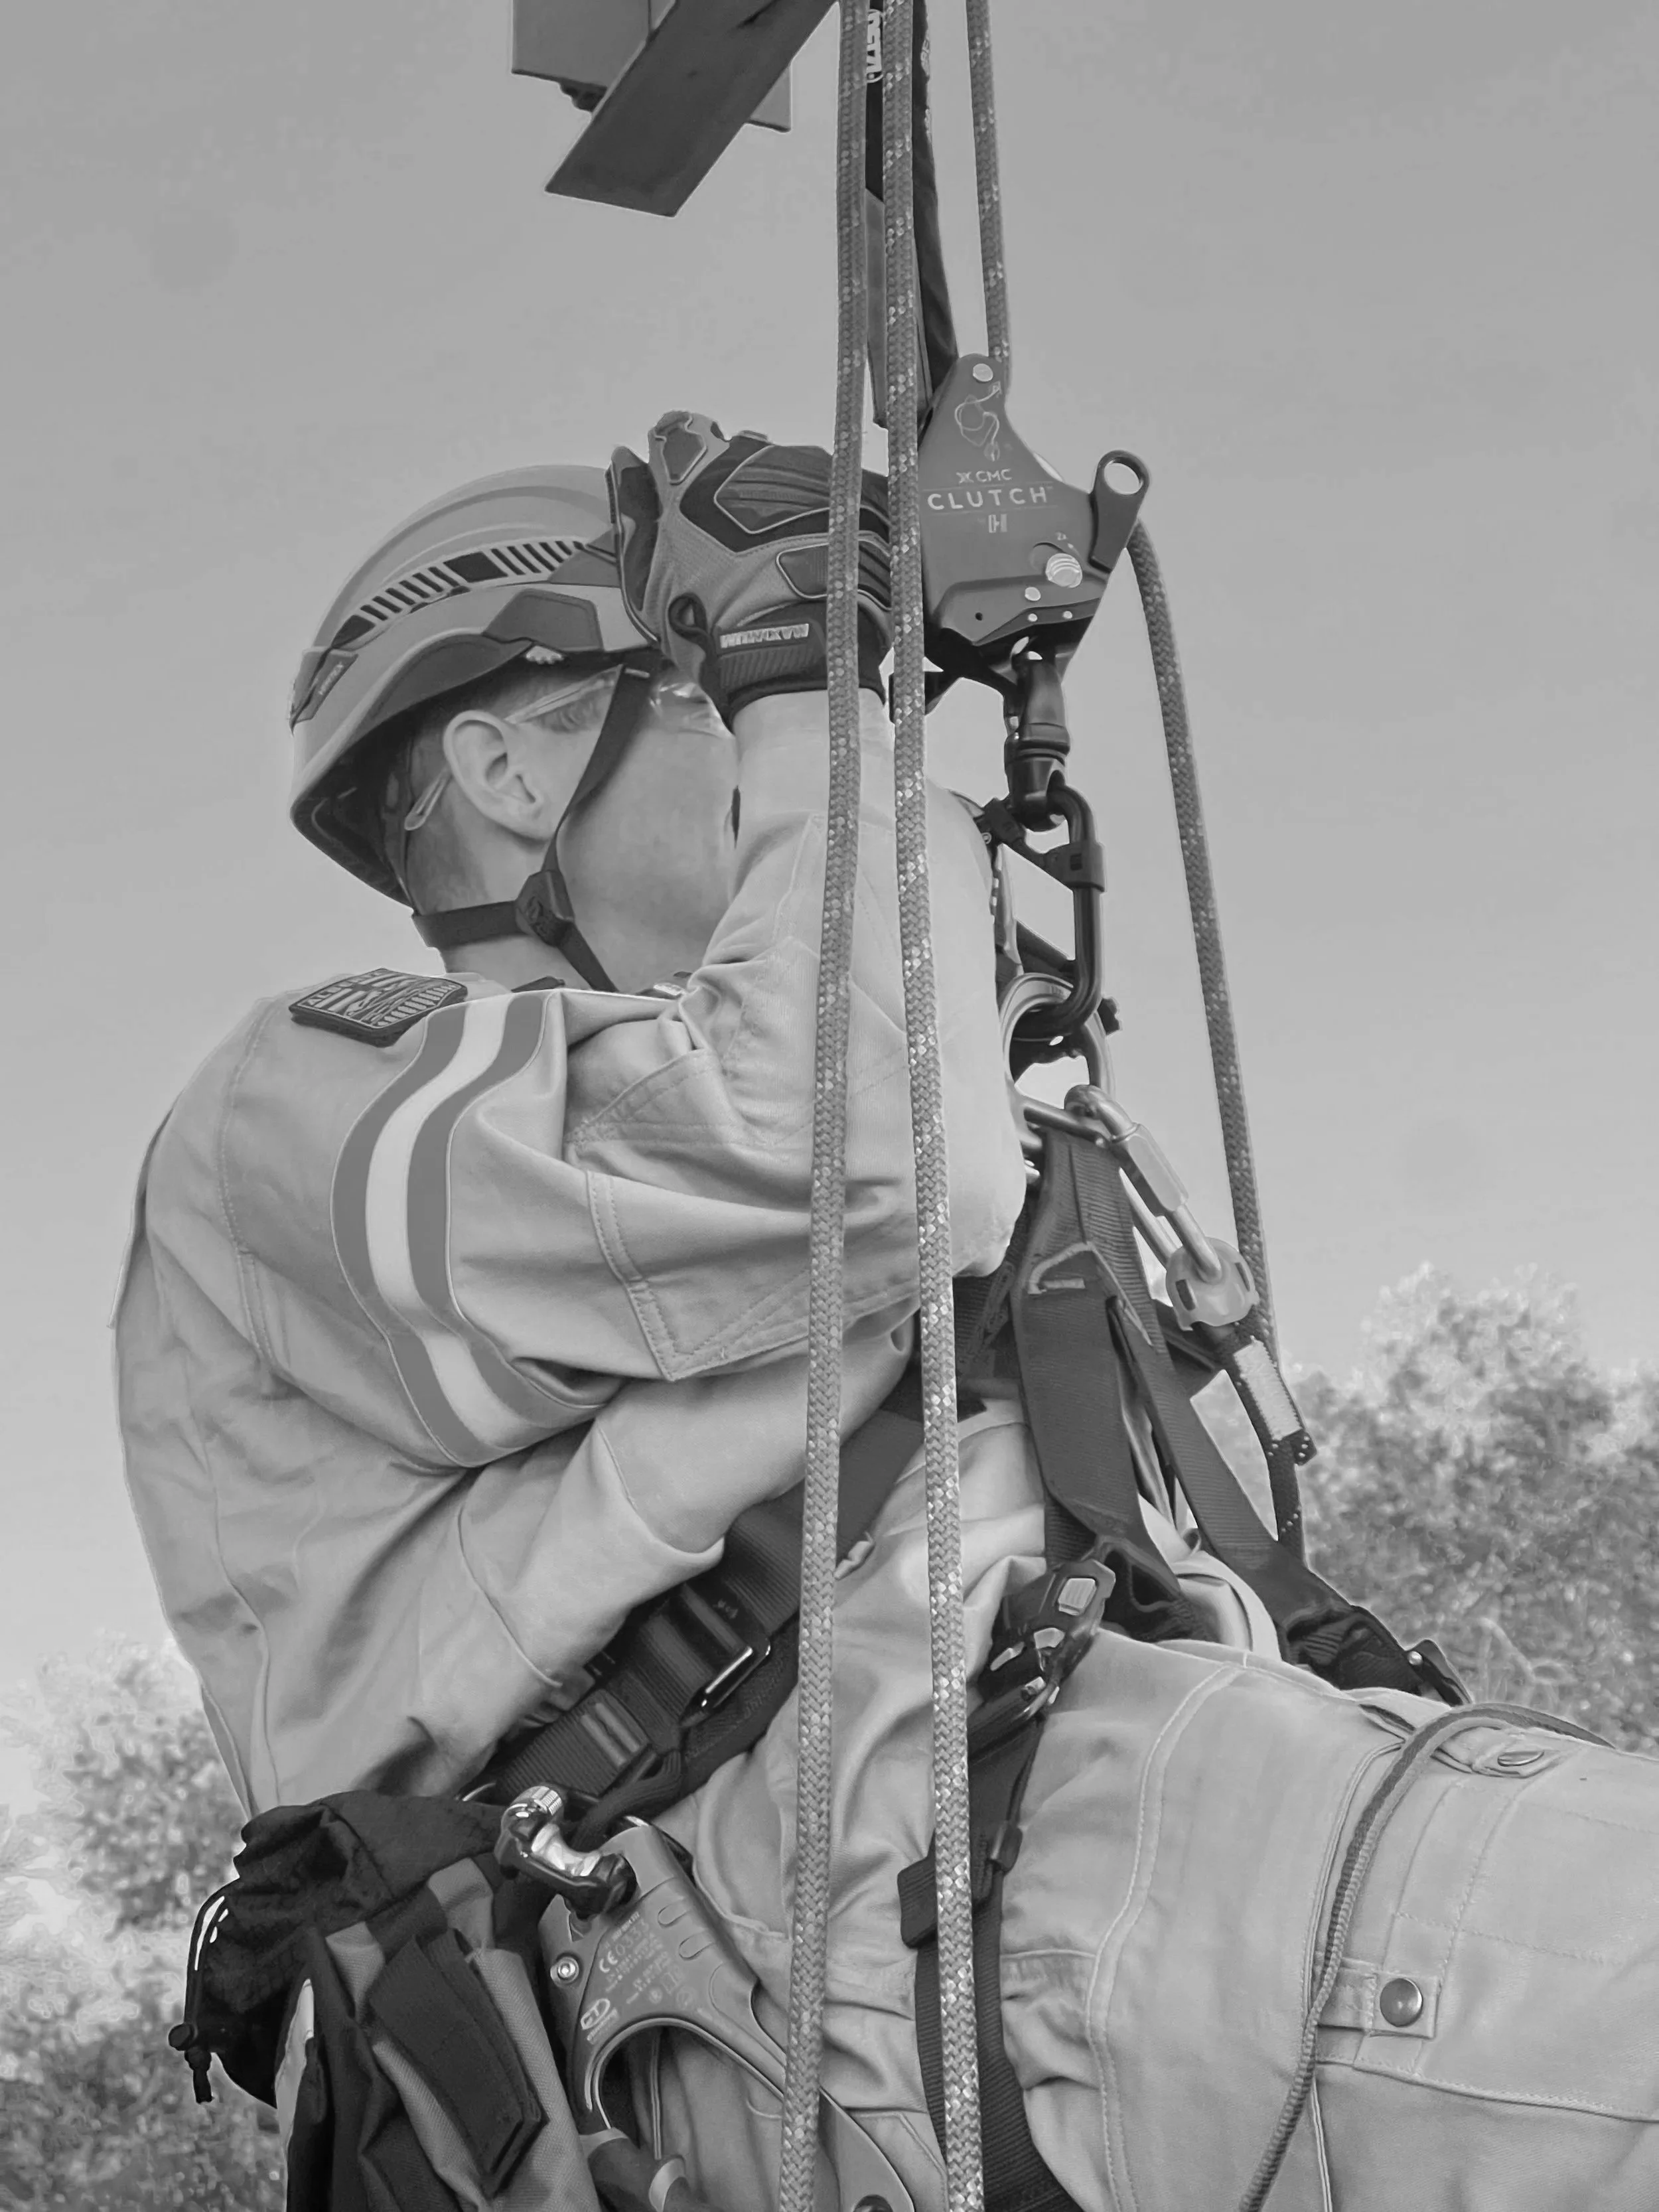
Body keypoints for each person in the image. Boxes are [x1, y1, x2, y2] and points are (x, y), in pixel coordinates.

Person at [115, 415, 1659, 2212]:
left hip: (1085, 1833)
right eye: (695, 702)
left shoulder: (846, 1098)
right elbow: (854, 1158)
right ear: (508, 773)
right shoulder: (304, 1111)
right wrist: (804, 679)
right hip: (870, 1896)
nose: (784, 751)